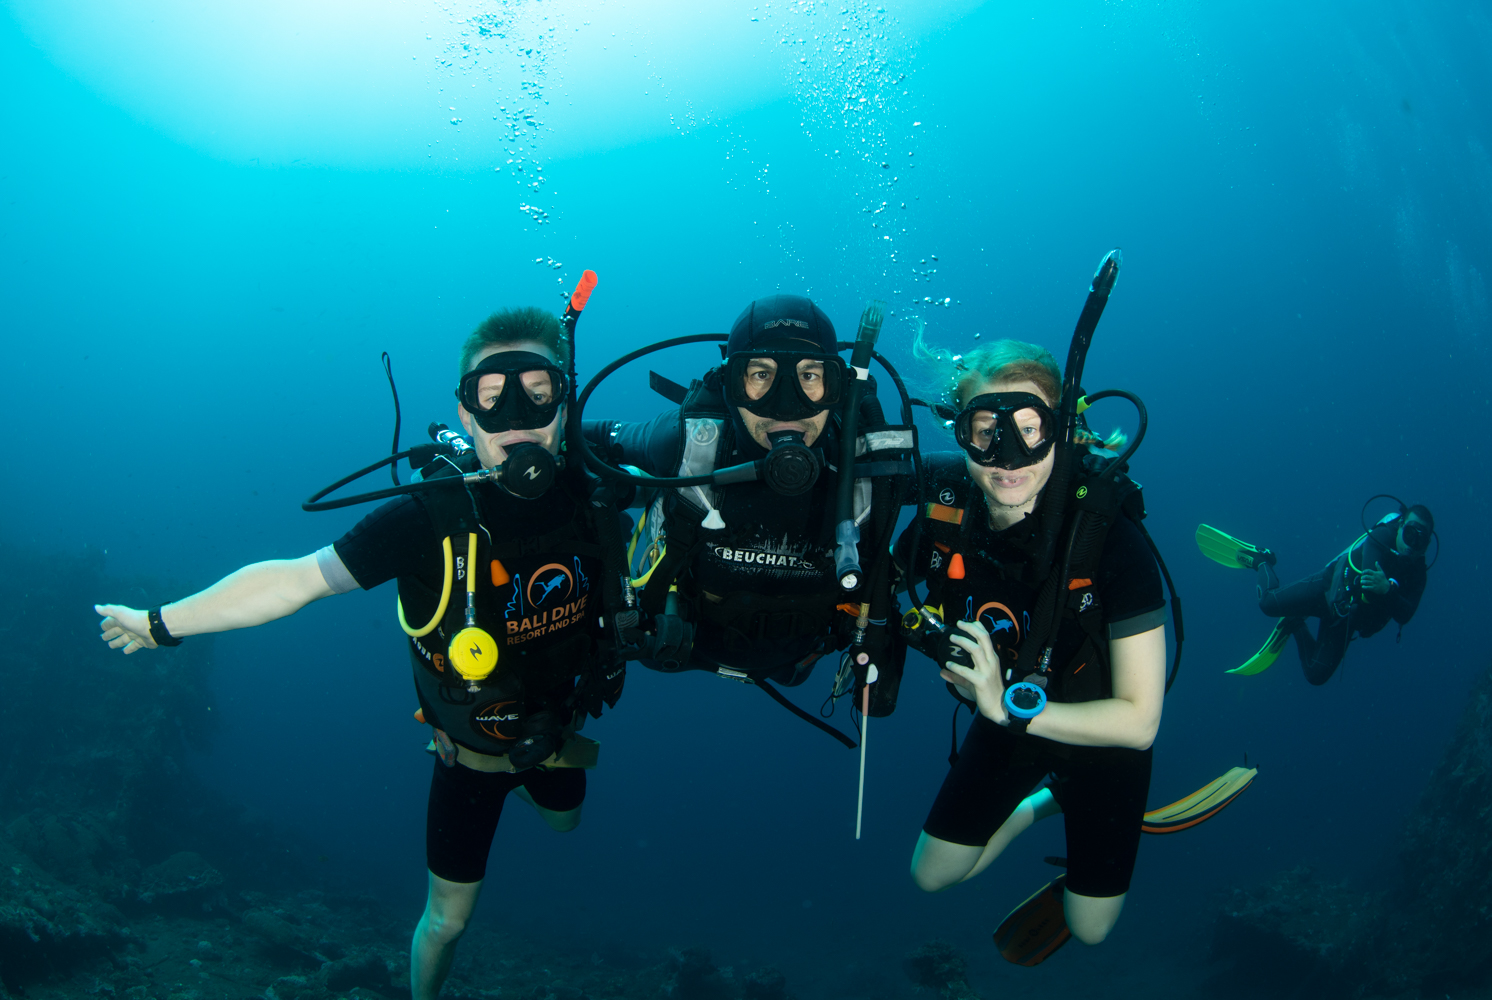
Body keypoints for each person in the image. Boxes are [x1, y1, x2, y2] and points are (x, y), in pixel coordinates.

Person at [94, 306, 623, 1000]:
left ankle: (539, 786)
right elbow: (293, 581)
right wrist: (161, 623)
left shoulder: (603, 479)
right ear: (464, 416)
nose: (515, 417)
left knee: (565, 822)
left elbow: (718, 445)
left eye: (538, 392)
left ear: (566, 403)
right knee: (447, 924)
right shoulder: (426, 519)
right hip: (469, 755)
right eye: (491, 399)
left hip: (560, 733)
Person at [897, 338, 1166, 951]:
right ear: (959, 433)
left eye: (1029, 428)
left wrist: (1002, 706)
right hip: (1009, 716)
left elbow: (1140, 722)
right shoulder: (948, 512)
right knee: (930, 876)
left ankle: (1056, 796)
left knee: (1090, 930)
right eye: (987, 430)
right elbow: (881, 591)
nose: (1007, 456)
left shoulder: (1111, 541)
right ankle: (1041, 801)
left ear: (1062, 433)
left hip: (1099, 737)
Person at [582, 293, 909, 738]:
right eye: (760, 375)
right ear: (729, 383)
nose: (786, 406)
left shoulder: (868, 468)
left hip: (798, 660)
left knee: (793, 671)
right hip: (677, 644)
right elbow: (588, 436)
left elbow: (982, 476)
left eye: (810, 376)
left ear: (839, 388)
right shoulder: (686, 441)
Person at [1197, 503, 1433, 684]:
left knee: (1315, 675)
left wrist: (1387, 590)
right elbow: (1366, 588)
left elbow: (1406, 615)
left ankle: (1295, 621)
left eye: (1421, 541)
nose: (1412, 544)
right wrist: (1386, 591)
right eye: (1410, 534)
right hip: (1327, 587)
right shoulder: (1381, 537)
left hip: (1344, 619)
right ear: (1400, 525)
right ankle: (1260, 560)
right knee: (1267, 603)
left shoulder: (1418, 573)